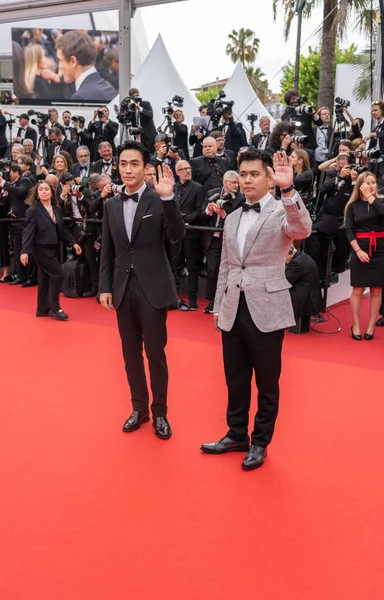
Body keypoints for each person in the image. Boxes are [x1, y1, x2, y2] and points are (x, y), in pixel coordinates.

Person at [200, 148, 312, 471]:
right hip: (234, 306)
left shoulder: (281, 211)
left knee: (266, 381)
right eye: (243, 175)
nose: (247, 181)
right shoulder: (233, 216)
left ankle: (260, 440)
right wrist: (218, 306)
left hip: (267, 306)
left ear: (268, 176)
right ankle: (236, 434)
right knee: (234, 378)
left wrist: (289, 190)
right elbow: (226, 265)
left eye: (254, 174)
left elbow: (302, 229)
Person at [98, 141, 185, 439]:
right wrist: (104, 287)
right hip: (122, 288)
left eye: (134, 164)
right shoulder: (110, 204)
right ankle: (139, 409)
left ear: (146, 168)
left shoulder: (156, 199)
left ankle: (160, 412)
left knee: (155, 353)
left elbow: (177, 234)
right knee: (130, 353)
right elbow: (107, 251)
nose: (127, 169)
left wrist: (168, 198)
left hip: (153, 287)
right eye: (123, 164)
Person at [20, 181, 82, 320]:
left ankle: (42, 309)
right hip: (40, 249)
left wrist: (73, 242)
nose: (44, 192)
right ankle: (55, 308)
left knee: (45, 277)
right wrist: (25, 251)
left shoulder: (57, 209)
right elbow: (28, 232)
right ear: (37, 193)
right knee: (58, 274)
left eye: (46, 189)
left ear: (51, 192)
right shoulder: (33, 210)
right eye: (41, 189)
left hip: (53, 247)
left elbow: (63, 229)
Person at [345, 172, 384, 340]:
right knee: (358, 289)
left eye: (373, 182)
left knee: (376, 289)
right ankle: (356, 325)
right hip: (359, 249)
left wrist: (370, 197)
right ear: (360, 185)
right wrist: (358, 251)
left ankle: (370, 326)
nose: (372, 186)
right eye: (368, 183)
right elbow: (348, 230)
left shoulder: (380, 202)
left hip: (380, 251)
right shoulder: (352, 206)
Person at [200, 170, 244, 314]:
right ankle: (212, 300)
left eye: (237, 182)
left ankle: (227, 302)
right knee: (212, 271)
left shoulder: (241, 199)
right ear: (225, 183)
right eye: (233, 182)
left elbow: (238, 221)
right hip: (213, 239)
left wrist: (223, 214)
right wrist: (209, 210)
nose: (236, 185)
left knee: (227, 271)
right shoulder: (212, 193)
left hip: (230, 240)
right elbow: (201, 216)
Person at [170, 160, 205, 310]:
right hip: (175, 234)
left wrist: (186, 218)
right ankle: (173, 295)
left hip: (191, 234)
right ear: (177, 172)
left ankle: (192, 298)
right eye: (183, 169)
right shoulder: (173, 188)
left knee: (192, 266)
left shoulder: (198, 188)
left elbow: (199, 210)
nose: (187, 171)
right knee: (174, 265)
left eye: (188, 168)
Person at [56, 31, 116, 102]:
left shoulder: (81, 97)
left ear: (73, 61)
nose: (59, 66)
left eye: (60, 60)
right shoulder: (109, 88)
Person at [285, 245, 322, 329]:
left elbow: (284, 281)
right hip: (309, 295)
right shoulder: (303, 257)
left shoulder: (297, 263)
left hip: (302, 299)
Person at [128, 88, 157, 153]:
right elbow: (128, 120)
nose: (135, 98)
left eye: (137, 96)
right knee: (140, 153)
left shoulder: (146, 104)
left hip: (149, 134)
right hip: (138, 134)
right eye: (133, 97)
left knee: (150, 153)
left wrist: (140, 109)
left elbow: (150, 115)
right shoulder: (131, 107)